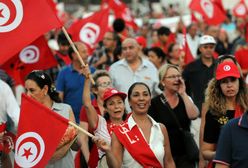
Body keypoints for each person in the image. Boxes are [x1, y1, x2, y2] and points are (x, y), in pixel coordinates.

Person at [94, 82, 175, 168]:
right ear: (129, 102)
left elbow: (168, 162)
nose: (141, 98)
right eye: (136, 95)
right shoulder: (119, 132)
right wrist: (108, 150)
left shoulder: (161, 128)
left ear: (150, 100)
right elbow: (115, 166)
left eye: (145, 94)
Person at [148, 64, 199, 168]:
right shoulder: (154, 103)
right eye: (172, 77)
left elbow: (194, 115)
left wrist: (183, 93)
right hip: (164, 156)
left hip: (185, 155)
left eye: (178, 76)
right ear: (162, 81)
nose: (177, 80)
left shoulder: (184, 98)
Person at [25, 70, 77, 168]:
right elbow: (46, 156)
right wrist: (69, 139)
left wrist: (75, 137)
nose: (28, 95)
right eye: (26, 90)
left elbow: (76, 146)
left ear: (45, 89)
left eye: (32, 90)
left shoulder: (66, 109)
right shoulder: (27, 116)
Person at [201, 61, 248, 167]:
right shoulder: (213, 113)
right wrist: (224, 155)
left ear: (240, 82)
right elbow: (205, 152)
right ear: (218, 86)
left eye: (233, 80)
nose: (229, 85)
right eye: (224, 81)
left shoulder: (246, 108)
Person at [82, 64, 128, 167]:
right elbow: (87, 104)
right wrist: (87, 79)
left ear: (124, 105)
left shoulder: (131, 122)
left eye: (119, 102)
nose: (116, 106)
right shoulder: (101, 124)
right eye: (111, 104)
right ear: (105, 108)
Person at [109, 38, 161, 112]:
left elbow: (157, 92)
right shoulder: (114, 69)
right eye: (124, 49)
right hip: (123, 117)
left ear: (138, 48)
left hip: (149, 115)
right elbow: (110, 93)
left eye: (131, 47)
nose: (128, 51)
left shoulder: (150, 67)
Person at [77, 69, 113, 168]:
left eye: (109, 83)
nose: (108, 87)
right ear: (95, 90)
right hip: (93, 153)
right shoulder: (88, 108)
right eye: (104, 84)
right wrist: (88, 159)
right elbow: (83, 137)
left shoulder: (116, 106)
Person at [56, 42, 95, 123]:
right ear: (74, 55)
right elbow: (59, 98)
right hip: (73, 121)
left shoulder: (93, 71)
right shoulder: (63, 73)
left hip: (92, 119)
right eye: (84, 52)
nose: (87, 54)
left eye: (87, 51)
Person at [0, 79, 20, 167]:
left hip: (2, 133)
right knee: (4, 156)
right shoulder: (3, 86)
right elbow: (17, 117)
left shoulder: (3, 87)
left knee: (4, 156)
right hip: (2, 133)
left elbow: (17, 117)